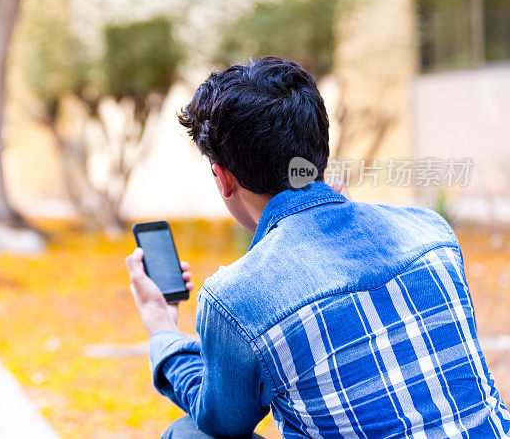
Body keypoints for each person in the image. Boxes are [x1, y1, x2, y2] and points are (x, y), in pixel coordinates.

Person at [124, 57, 510, 438]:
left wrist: (161, 323)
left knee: (190, 435)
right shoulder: (431, 233)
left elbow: (220, 418)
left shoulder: (239, 298)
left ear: (224, 179)